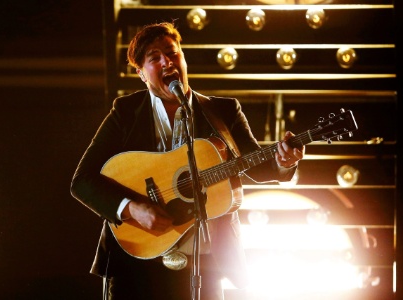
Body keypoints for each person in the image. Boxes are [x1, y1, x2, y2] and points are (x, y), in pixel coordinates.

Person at [70, 21, 304, 300]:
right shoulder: (125, 112)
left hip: (205, 263)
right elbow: (82, 181)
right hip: (137, 261)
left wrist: (285, 161)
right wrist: (133, 209)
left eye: (172, 53)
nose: (166, 62)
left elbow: (258, 165)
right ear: (142, 74)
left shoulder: (223, 111)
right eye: (154, 58)